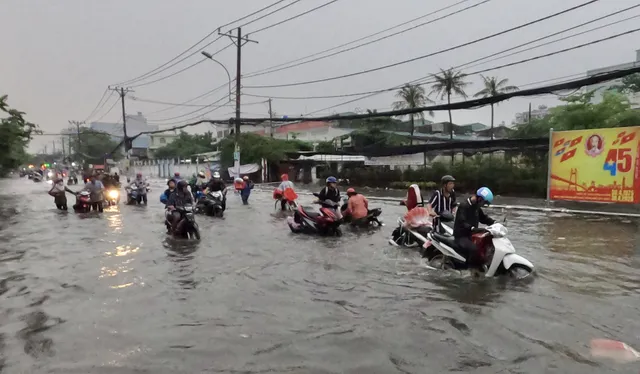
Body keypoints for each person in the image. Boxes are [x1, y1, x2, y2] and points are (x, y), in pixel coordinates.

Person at [452, 187, 496, 270]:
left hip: (471, 235)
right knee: (474, 249)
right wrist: (472, 228)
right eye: (484, 202)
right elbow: (462, 222)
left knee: (486, 248)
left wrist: (494, 222)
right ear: (479, 198)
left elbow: (483, 218)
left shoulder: (476, 207)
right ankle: (470, 270)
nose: (484, 205)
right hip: (461, 236)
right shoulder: (464, 206)